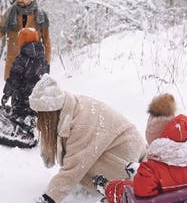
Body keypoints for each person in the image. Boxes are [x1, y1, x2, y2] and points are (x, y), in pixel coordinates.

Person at [29, 74, 146, 203]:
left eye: (40, 114)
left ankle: (110, 187)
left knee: (82, 164)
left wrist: (48, 199)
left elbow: (73, 169)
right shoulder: (69, 108)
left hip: (125, 160)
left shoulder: (81, 124)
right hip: (130, 152)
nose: (38, 119)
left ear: (50, 113)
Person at [93, 93, 187, 203]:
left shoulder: (150, 171)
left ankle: (107, 188)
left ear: (156, 142)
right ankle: (133, 171)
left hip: (156, 195)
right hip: (185, 198)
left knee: (125, 187)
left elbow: (141, 192)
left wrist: (142, 177)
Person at [0, 0, 51, 81]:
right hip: (14, 60)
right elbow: (1, 29)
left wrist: (46, 63)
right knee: (14, 91)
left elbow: (47, 41)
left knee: (32, 92)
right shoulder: (10, 12)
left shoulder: (40, 15)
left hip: (33, 62)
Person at [1, 27, 50, 124]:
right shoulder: (43, 58)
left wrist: (6, 94)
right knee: (33, 110)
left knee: (19, 112)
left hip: (22, 95)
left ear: (22, 41)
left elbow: (14, 78)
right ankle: (34, 120)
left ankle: (21, 123)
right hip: (39, 94)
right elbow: (46, 76)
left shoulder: (22, 59)